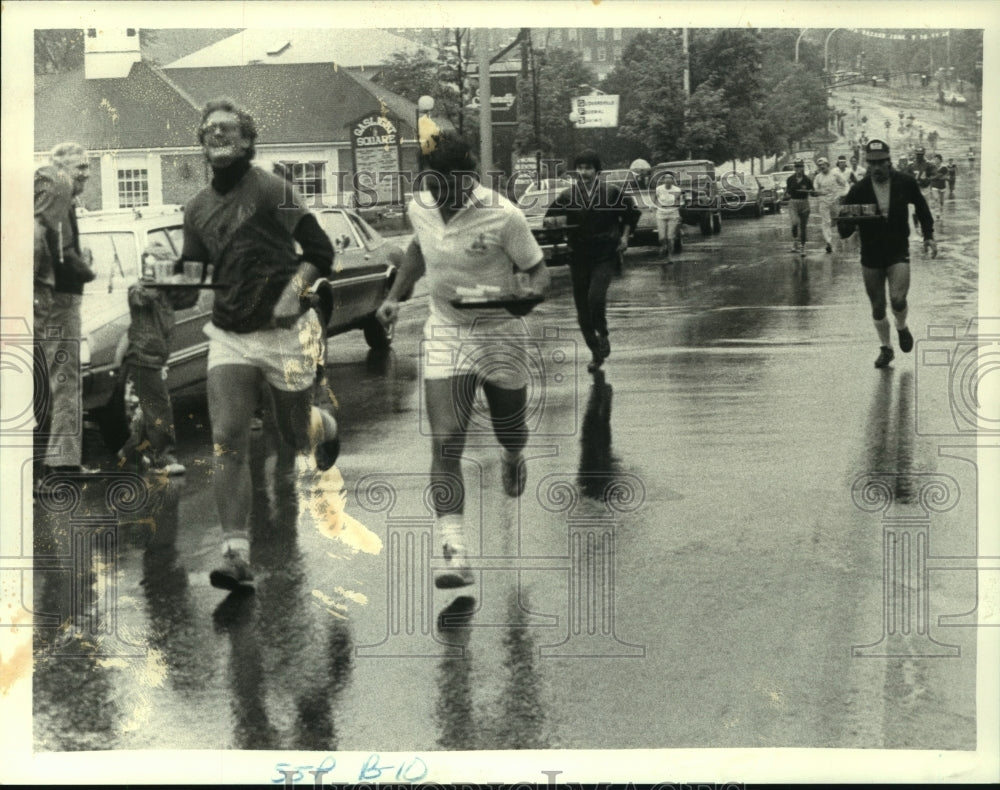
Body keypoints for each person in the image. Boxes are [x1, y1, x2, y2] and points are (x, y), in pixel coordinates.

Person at [375, 131, 550, 589]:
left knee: (509, 427)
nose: (444, 191)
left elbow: (538, 271)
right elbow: (418, 247)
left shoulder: (504, 215)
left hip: (500, 334)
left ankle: (514, 454)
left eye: (454, 180)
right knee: (447, 439)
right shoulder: (421, 206)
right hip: (447, 331)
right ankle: (453, 550)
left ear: (469, 175)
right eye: (434, 181)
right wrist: (396, 295)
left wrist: (526, 299)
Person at [180, 98, 338, 591]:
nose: (218, 135)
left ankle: (321, 423)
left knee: (291, 436)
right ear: (202, 144)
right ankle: (236, 554)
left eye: (229, 129)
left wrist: (294, 294)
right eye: (210, 131)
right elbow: (191, 277)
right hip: (230, 335)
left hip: (284, 333)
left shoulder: (274, 190)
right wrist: (159, 284)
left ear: (248, 141)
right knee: (228, 438)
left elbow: (321, 252)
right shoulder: (196, 208)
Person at [837, 139, 936, 369]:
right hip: (871, 253)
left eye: (881, 162)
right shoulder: (859, 189)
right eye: (873, 163)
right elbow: (844, 226)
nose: (877, 167)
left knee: (898, 299)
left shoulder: (905, 182)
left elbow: (922, 208)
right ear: (868, 164)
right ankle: (886, 348)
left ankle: (901, 327)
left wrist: (929, 235)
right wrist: (845, 221)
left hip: (897, 249)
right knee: (878, 306)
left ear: (889, 160)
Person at [34, 142, 97, 479]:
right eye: (79, 168)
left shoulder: (62, 200)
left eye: (88, 167)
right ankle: (63, 462)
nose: (86, 174)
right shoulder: (58, 200)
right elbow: (64, 254)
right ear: (61, 170)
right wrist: (89, 271)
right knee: (64, 378)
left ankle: (60, 460)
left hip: (56, 298)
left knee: (60, 377)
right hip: (61, 299)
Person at [545, 149, 639, 372]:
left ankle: (603, 333)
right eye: (579, 168)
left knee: (595, 297)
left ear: (597, 170)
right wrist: (555, 230)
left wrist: (625, 237)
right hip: (578, 255)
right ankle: (595, 352)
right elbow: (551, 220)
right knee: (582, 309)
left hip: (605, 253)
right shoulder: (568, 196)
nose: (583, 172)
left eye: (588, 168)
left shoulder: (612, 192)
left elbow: (631, 215)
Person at [116, 242, 198, 476]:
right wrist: (157, 275)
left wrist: (188, 279)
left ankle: (129, 453)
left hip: (154, 358)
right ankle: (163, 459)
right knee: (159, 409)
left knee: (152, 410)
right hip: (142, 358)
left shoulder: (166, 293)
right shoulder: (139, 289)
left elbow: (189, 299)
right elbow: (142, 296)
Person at [812, 156, 848, 254]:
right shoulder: (818, 177)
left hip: (834, 201)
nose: (821, 167)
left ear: (828, 165)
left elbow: (844, 184)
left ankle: (834, 236)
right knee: (826, 222)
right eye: (819, 165)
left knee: (834, 221)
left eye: (823, 164)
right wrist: (816, 192)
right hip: (823, 202)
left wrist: (843, 194)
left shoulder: (835, 174)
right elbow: (815, 189)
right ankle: (828, 242)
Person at [783, 159, 815, 257]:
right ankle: (795, 240)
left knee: (803, 226)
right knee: (795, 222)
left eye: (800, 166)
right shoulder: (790, 179)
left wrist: (813, 193)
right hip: (793, 203)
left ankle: (803, 247)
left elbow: (813, 192)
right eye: (796, 166)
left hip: (804, 203)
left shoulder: (807, 180)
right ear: (794, 168)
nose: (798, 169)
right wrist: (786, 195)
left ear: (803, 167)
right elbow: (787, 192)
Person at [654, 170, 685, 263]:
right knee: (662, 238)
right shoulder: (659, 189)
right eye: (666, 179)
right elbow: (655, 200)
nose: (667, 181)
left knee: (670, 237)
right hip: (661, 214)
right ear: (663, 180)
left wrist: (678, 206)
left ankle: (670, 256)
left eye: (669, 179)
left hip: (673, 214)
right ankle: (664, 246)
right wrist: (655, 207)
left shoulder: (677, 190)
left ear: (672, 181)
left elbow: (681, 202)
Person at [927, 153, 948, 223]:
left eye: (937, 159)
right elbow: (930, 176)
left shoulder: (944, 168)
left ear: (940, 160)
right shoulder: (932, 167)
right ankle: (937, 214)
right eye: (935, 159)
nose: (935, 161)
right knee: (936, 199)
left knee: (941, 202)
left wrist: (934, 178)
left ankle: (941, 212)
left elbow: (943, 176)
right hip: (934, 186)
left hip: (942, 186)